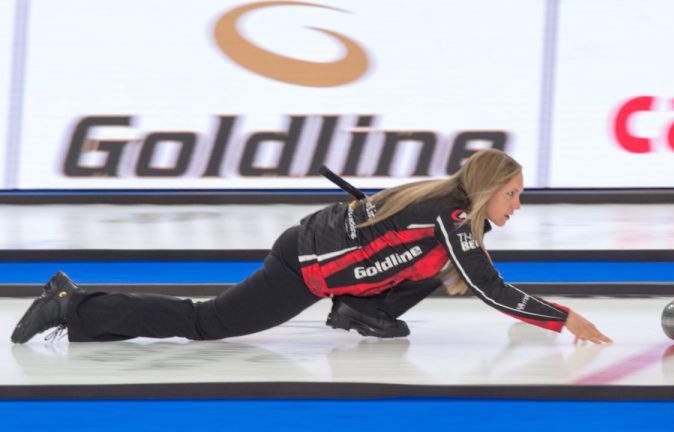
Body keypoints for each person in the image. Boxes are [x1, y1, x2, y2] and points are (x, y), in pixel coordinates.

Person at [11, 149, 612, 345]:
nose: (518, 204)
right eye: (513, 193)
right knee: (205, 323)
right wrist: (563, 318)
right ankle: (72, 304)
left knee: (444, 263)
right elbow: (489, 288)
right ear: (486, 190)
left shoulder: (449, 211)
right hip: (302, 264)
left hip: (327, 257)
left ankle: (361, 307)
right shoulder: (452, 215)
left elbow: (457, 270)